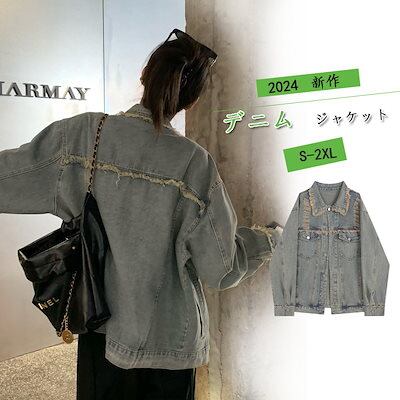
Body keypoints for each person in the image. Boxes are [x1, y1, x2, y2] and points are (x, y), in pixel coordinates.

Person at [0, 28, 280, 399]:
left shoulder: (83, 137)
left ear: (144, 75)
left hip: (101, 328)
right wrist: (268, 239)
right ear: (192, 100)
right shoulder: (194, 165)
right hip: (172, 343)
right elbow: (222, 268)